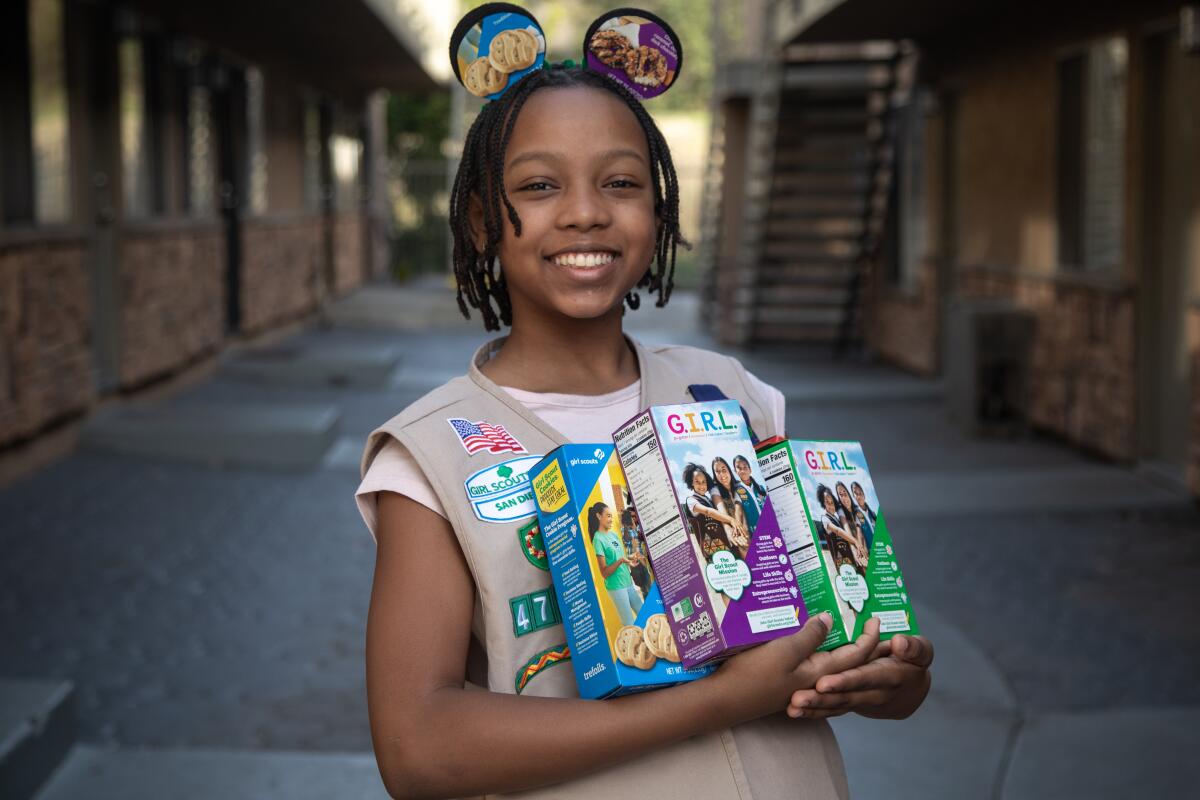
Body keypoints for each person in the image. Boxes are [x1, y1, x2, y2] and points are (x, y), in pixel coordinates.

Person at [356, 61, 932, 800]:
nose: (586, 213)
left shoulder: (734, 393)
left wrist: (888, 677)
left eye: (621, 183)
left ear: (659, 209)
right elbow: (417, 748)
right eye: (539, 185)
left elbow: (840, 634)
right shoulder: (430, 456)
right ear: (479, 220)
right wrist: (720, 700)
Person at [587, 502, 642, 624]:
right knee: (629, 624)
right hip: (616, 587)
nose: (611, 519)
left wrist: (629, 558)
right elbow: (604, 572)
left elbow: (619, 557)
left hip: (627, 582)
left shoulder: (613, 535)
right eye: (608, 516)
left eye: (611, 516)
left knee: (643, 613)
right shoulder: (598, 539)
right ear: (599, 516)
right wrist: (621, 560)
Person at [681, 463, 739, 561]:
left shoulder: (709, 499)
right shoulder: (691, 500)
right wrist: (731, 520)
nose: (701, 485)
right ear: (692, 483)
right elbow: (708, 511)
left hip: (725, 545)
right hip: (711, 549)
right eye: (697, 482)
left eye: (704, 482)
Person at [710, 456, 750, 554]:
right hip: (732, 529)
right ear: (715, 474)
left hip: (747, 525)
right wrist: (729, 531)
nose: (722, 474)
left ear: (729, 470)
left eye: (724, 470)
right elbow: (722, 511)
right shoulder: (715, 490)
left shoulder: (739, 486)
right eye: (717, 471)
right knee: (743, 547)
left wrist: (745, 530)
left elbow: (741, 510)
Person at [620, 507, 653, 596]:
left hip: (640, 560)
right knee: (646, 589)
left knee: (646, 588)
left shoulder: (636, 528)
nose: (633, 518)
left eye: (634, 516)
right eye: (631, 517)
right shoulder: (625, 530)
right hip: (637, 561)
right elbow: (632, 546)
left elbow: (640, 540)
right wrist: (641, 560)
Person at [731, 453, 766, 529]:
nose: (742, 470)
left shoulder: (761, 488)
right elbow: (738, 511)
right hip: (756, 531)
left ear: (750, 470)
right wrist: (738, 525)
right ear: (735, 471)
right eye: (739, 468)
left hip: (771, 525)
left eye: (745, 467)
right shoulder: (738, 491)